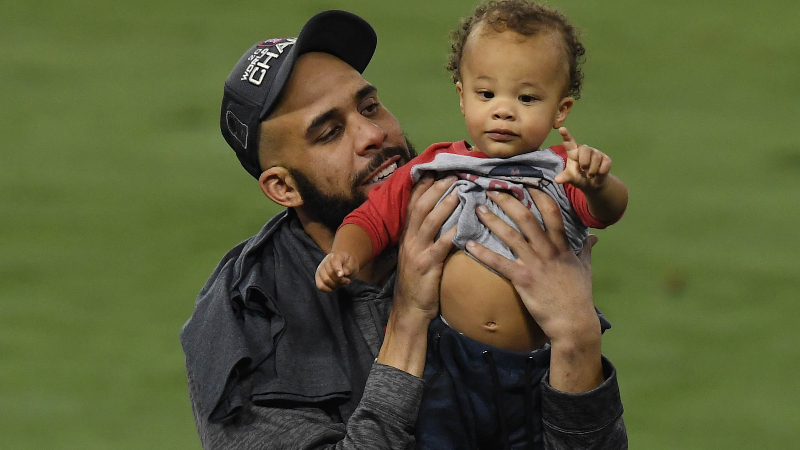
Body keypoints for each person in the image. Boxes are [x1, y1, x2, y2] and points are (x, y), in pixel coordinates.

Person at [180, 8, 627, 450]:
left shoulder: (480, 208)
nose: (372, 133)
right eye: (331, 132)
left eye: (370, 106)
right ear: (283, 187)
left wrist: (578, 341)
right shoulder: (244, 315)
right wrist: (408, 322)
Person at [313, 2, 628, 448]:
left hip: (538, 367)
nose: (504, 111)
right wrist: (344, 253)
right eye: (487, 95)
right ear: (461, 96)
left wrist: (597, 182)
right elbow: (371, 219)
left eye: (527, 98)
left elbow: (609, 210)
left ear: (561, 110)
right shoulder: (435, 168)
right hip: (447, 361)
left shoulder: (559, 169)